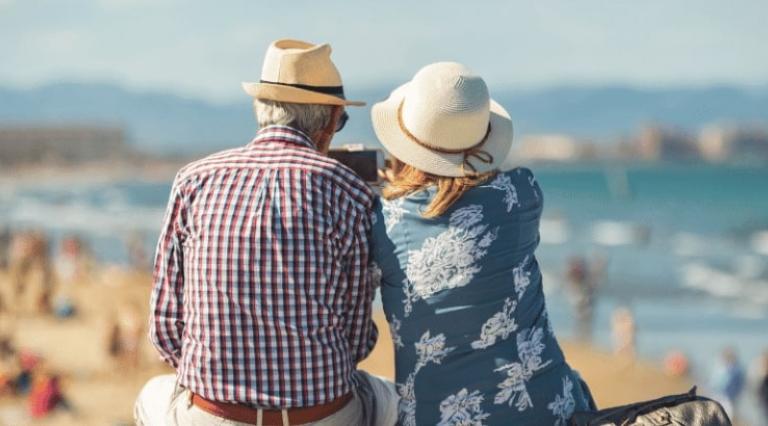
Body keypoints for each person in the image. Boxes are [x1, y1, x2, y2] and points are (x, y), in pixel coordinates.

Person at [134, 39, 397, 426]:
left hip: (212, 415)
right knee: (395, 398)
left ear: (261, 109)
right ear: (327, 121)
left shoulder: (194, 180)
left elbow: (166, 330)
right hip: (322, 415)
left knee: (150, 395)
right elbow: (357, 339)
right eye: (339, 121)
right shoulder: (350, 190)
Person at [370, 62, 594, 425]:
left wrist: (389, 184)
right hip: (547, 410)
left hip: (437, 418)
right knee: (576, 384)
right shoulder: (521, 194)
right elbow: (467, 201)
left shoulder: (382, 220)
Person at [710, 347, 745, 420]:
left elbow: (739, 385)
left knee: (727, 417)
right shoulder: (720, 367)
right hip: (718, 396)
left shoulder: (737, 370)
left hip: (729, 398)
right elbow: (714, 384)